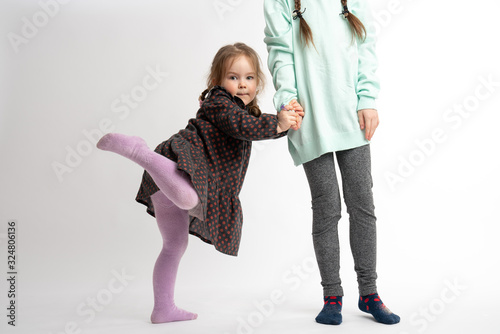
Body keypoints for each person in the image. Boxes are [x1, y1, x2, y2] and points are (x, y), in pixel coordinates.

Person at [96, 42, 303, 324]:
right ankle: (139, 151)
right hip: (179, 166)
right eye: (233, 77)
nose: (242, 84)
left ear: (258, 82)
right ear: (217, 82)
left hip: (165, 179)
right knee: (189, 200)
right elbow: (240, 126)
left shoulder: (246, 113)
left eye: (249, 77)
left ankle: (163, 308)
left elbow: (254, 126)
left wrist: (285, 122)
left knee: (174, 245)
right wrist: (277, 124)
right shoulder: (218, 102)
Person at [264, 0, 400, 325]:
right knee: (327, 208)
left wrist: (367, 98)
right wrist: (287, 99)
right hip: (309, 119)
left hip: (351, 116)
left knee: (362, 205)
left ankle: (369, 293)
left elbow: (366, 46)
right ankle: (332, 296)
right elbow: (279, 50)